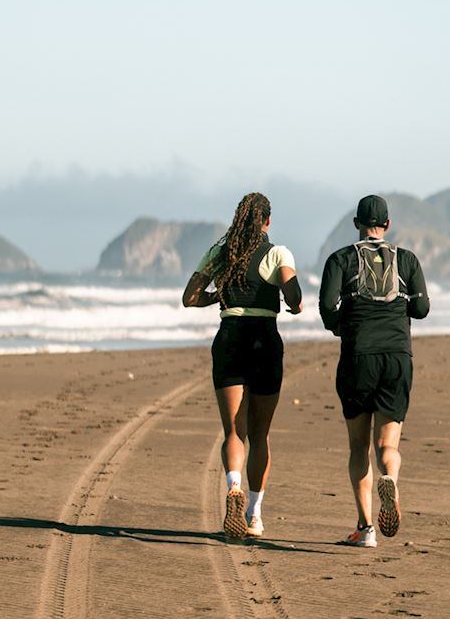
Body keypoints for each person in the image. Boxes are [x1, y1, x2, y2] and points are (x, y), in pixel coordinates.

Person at [183, 192, 303, 540]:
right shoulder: (278, 253)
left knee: (234, 432)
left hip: (229, 336)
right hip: (264, 339)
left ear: (239, 221)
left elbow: (189, 297)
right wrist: (292, 304)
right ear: (267, 221)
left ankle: (232, 486)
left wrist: (217, 297)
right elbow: (293, 295)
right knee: (260, 433)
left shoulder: (221, 254)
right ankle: (254, 513)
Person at [319, 195, 429, 547]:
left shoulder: (340, 259)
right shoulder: (407, 260)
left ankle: (366, 529)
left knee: (357, 447)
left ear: (357, 224)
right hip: (397, 356)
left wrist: (344, 327)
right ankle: (391, 480)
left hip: (358, 357)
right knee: (387, 444)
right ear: (387, 224)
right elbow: (423, 308)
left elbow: (326, 308)